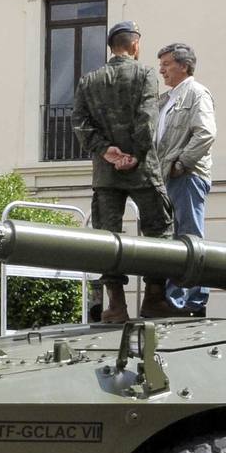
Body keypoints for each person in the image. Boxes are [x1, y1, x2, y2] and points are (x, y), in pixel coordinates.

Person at [72, 19, 177, 322]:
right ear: (134, 45)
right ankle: (154, 299)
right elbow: (147, 118)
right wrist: (135, 154)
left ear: (112, 47)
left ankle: (116, 305)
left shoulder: (89, 80)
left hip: (106, 172)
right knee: (159, 232)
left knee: (107, 237)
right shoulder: (144, 74)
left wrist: (106, 151)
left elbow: (79, 122)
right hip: (143, 169)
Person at [154, 42, 217, 316]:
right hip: (168, 176)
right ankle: (175, 297)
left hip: (187, 176)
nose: (161, 70)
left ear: (183, 65)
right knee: (176, 239)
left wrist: (182, 163)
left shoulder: (196, 93)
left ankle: (191, 301)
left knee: (190, 236)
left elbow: (205, 133)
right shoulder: (167, 100)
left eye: (166, 64)